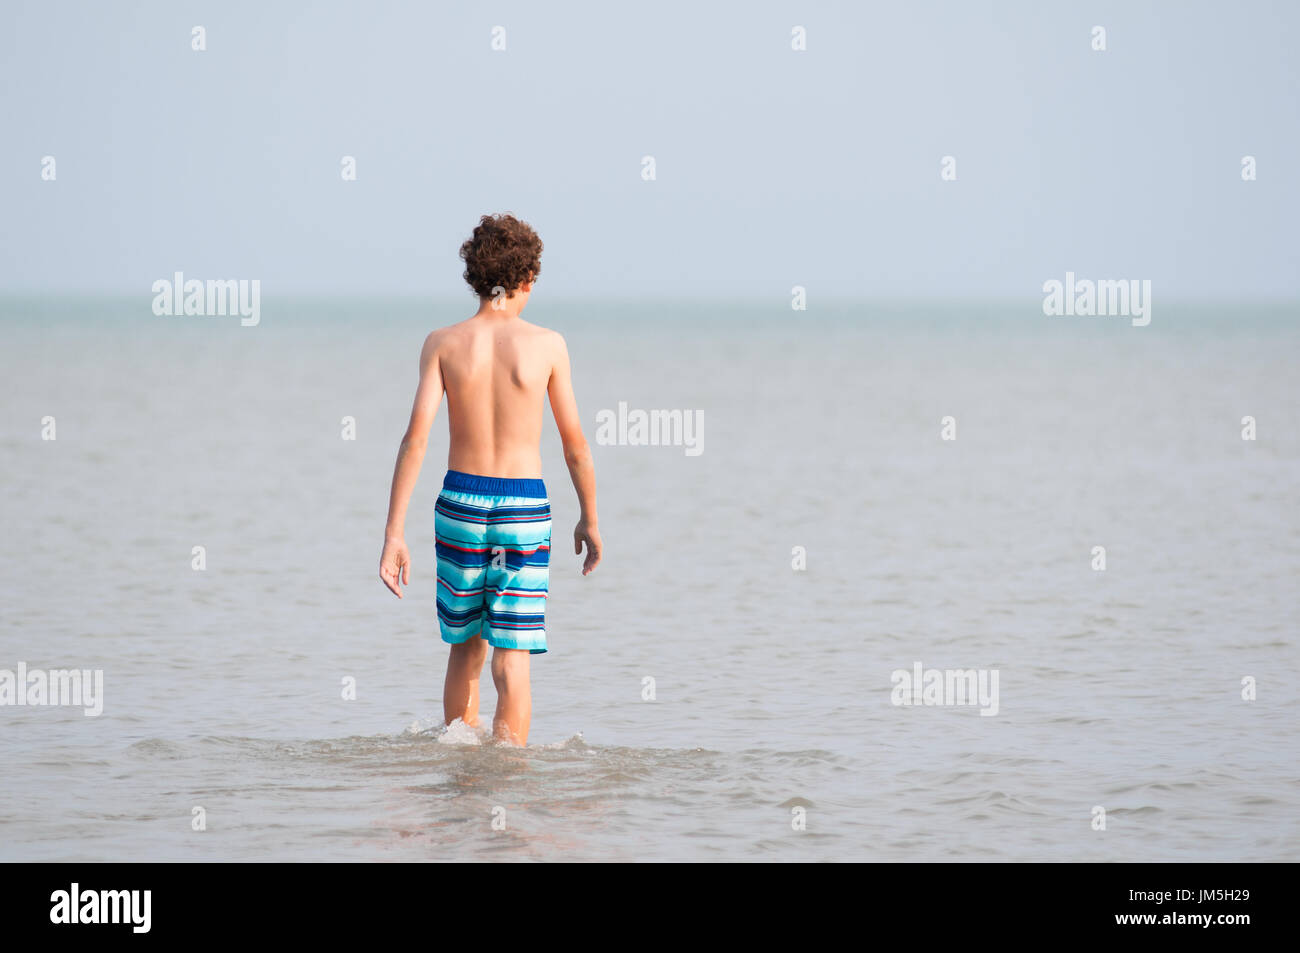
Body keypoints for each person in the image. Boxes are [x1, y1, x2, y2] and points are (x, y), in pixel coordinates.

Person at [379, 213, 601, 746]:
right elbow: (575, 446)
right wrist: (589, 517)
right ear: (527, 279)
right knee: (512, 657)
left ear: (476, 277)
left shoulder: (443, 343)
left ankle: (461, 766)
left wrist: (393, 533)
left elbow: (415, 440)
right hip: (523, 509)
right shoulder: (548, 345)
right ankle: (509, 774)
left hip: (460, 502)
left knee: (465, 647)